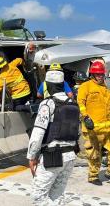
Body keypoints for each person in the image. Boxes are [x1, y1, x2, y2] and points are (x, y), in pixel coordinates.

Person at [27, 69, 80, 205]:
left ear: (48, 85)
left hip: (52, 156)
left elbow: (38, 132)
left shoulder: (47, 104)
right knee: (57, 195)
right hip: (70, 155)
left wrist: (32, 156)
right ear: (62, 85)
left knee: (38, 196)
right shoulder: (73, 104)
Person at [77, 61, 110, 186]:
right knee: (94, 154)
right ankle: (93, 176)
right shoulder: (85, 86)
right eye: (97, 74)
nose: (100, 77)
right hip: (93, 128)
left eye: (101, 74)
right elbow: (80, 103)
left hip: (108, 127)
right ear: (92, 74)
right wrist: (85, 117)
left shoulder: (105, 88)